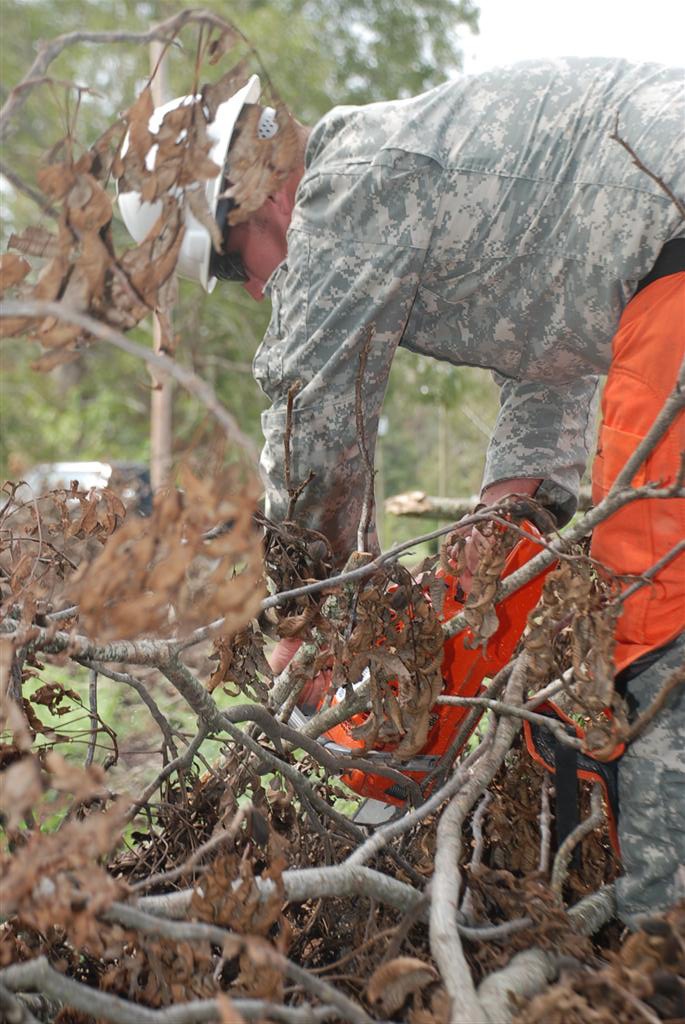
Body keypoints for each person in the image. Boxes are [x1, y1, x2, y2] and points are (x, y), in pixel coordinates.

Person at [119, 57, 685, 926]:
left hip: (671, 243)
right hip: (655, 258)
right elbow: (552, 367)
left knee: (647, 612)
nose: (261, 286)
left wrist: (304, 620)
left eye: (235, 264)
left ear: (261, 198)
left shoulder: (344, 188)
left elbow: (312, 417)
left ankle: (659, 941)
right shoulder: (452, 182)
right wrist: (506, 520)